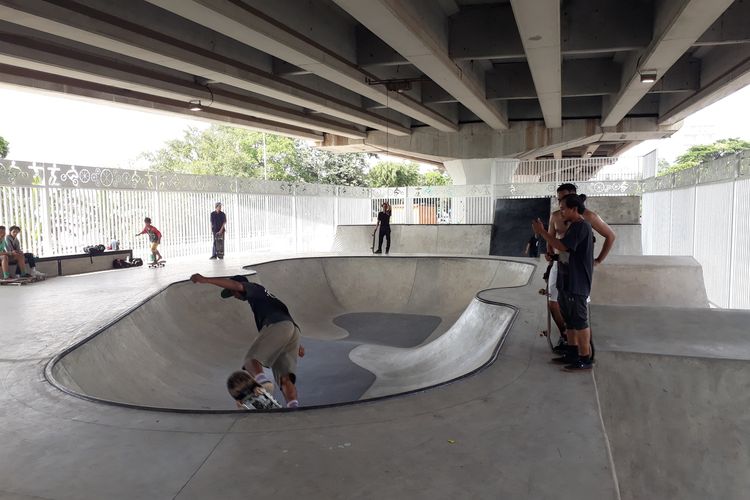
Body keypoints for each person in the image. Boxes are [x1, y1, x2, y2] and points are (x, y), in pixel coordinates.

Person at [189, 274, 305, 408]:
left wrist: (206, 280)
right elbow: (287, 322)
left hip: (277, 325)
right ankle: (293, 407)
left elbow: (237, 285)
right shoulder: (268, 300)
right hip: (291, 330)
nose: (235, 296)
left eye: (233, 293)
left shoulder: (256, 290)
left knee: (251, 360)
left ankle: (262, 383)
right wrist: (297, 344)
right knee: (285, 378)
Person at [546, 183, 616, 352]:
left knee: (578, 308)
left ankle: (583, 351)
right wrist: (550, 255)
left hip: (577, 269)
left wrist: (598, 260)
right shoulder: (556, 216)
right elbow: (552, 238)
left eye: (563, 200)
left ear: (574, 200)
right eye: (558, 200)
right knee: (556, 303)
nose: (560, 204)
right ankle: (568, 339)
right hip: (560, 265)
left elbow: (610, 235)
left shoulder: (587, 219)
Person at [533, 194, 595, 371]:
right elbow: (567, 252)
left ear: (574, 209)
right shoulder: (573, 227)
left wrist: (543, 232)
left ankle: (585, 358)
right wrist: (555, 256)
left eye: (563, 209)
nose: (560, 214)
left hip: (577, 282)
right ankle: (572, 351)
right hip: (566, 280)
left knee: (580, 320)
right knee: (570, 319)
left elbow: (563, 246)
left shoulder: (582, 226)